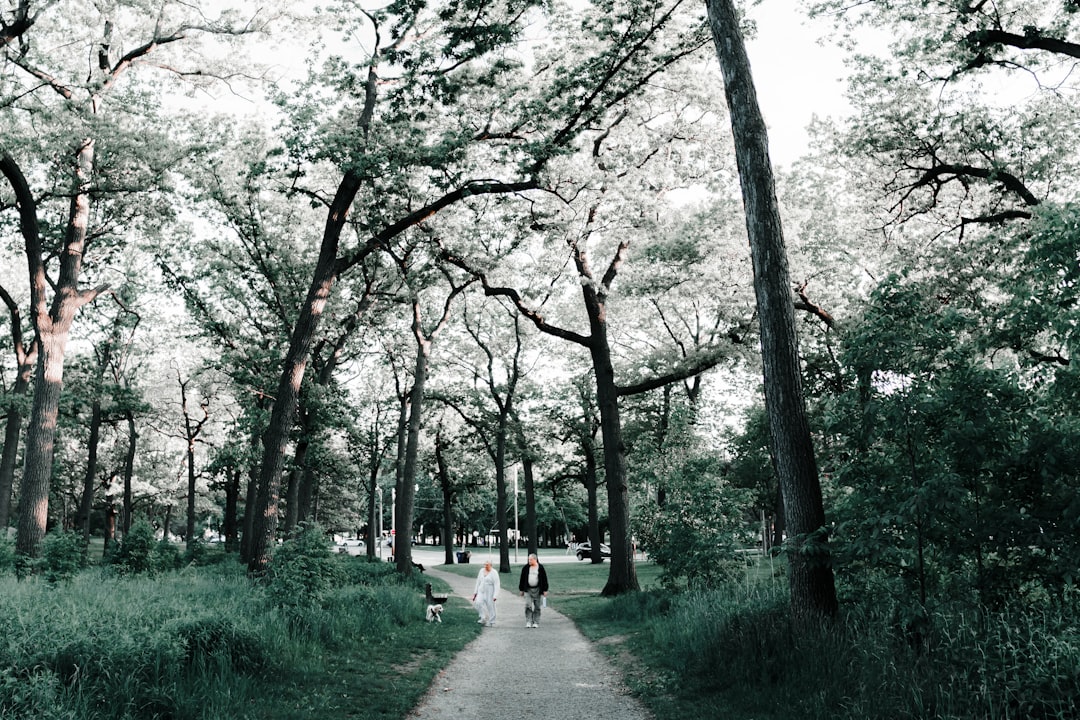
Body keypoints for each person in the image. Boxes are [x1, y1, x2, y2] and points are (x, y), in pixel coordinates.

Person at [517, 553, 549, 628]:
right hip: (528, 589)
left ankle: (536, 622)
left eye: (530, 559)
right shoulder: (525, 568)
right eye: (528, 559)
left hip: (537, 589)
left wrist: (545, 589)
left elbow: (544, 579)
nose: (529, 561)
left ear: (535, 559)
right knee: (528, 605)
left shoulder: (540, 568)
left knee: (537, 606)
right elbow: (522, 579)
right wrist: (521, 589)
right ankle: (528, 621)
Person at [472, 559, 500, 627]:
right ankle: (483, 618)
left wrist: (495, 595)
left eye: (487, 565)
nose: (485, 566)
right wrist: (475, 592)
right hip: (481, 590)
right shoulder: (481, 571)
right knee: (478, 603)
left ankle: (492, 621)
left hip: (490, 590)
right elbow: (478, 581)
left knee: (491, 605)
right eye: (484, 564)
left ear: (490, 565)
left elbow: (497, 584)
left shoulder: (494, 572)